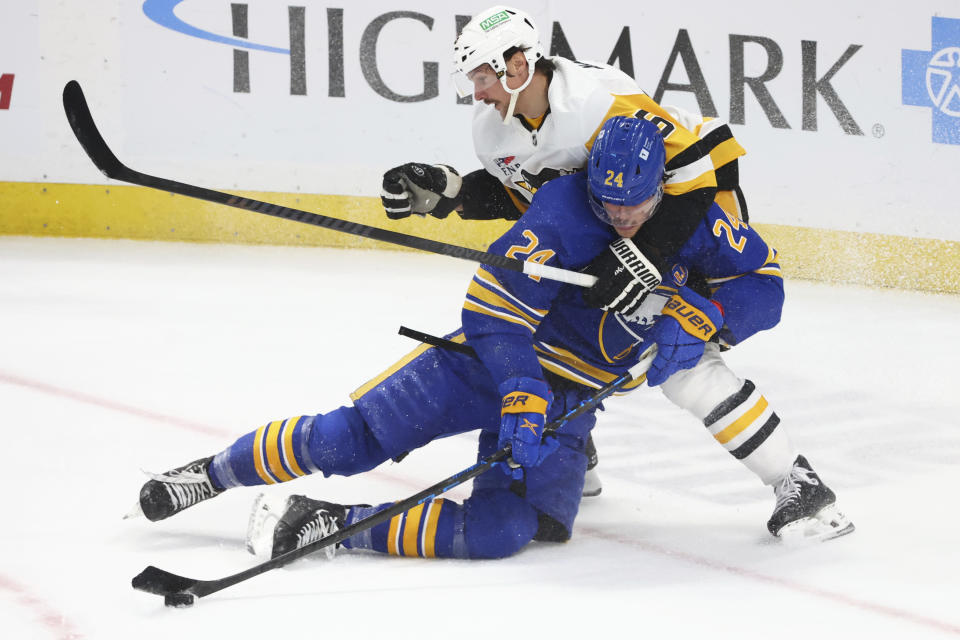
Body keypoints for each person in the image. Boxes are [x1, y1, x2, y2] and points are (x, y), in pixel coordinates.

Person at [137, 117, 852, 564]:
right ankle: (212, 472)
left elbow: (765, 284)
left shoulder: (696, 218)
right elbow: (491, 308)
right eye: (609, 202)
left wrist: (695, 320)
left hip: (570, 398)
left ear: (663, 185)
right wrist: (521, 388)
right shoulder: (564, 211)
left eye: (635, 201)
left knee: (514, 528)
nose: (622, 215)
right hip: (489, 365)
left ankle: (325, 524)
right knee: (346, 441)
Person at [379, 5, 748, 497]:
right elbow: (528, 197)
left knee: (685, 350)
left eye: (483, 76)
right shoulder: (492, 128)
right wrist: (452, 193)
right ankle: (575, 440)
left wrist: (646, 263)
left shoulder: (597, 102)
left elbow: (689, 179)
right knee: (569, 324)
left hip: (696, 195)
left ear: (517, 67)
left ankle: (797, 482)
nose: (478, 92)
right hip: (618, 217)